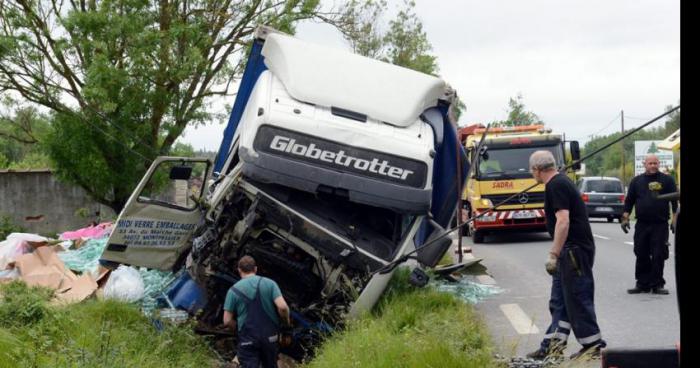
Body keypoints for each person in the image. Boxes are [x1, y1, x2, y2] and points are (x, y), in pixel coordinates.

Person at [526, 150, 606, 360]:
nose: (531, 174)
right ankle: (552, 346)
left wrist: (553, 253)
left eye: (531, 170)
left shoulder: (557, 185)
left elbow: (563, 220)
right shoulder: (559, 182)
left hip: (573, 251)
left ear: (537, 169)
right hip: (570, 251)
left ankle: (593, 345)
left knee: (578, 296)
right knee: (559, 301)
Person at [622, 154, 678, 295]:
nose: (653, 165)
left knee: (659, 254)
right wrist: (625, 218)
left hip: (660, 224)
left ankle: (657, 284)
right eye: (650, 163)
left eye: (655, 163)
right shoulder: (636, 181)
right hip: (642, 224)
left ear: (658, 164)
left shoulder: (667, 180)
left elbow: (674, 203)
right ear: (644, 164)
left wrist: (675, 220)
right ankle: (642, 284)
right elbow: (629, 202)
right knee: (641, 253)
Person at [223, 256, 292, 368]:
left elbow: (227, 321)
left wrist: (239, 329)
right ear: (255, 269)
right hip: (270, 337)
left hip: (248, 338)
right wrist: (286, 327)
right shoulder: (270, 284)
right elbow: (283, 307)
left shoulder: (232, 291)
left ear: (239, 270)